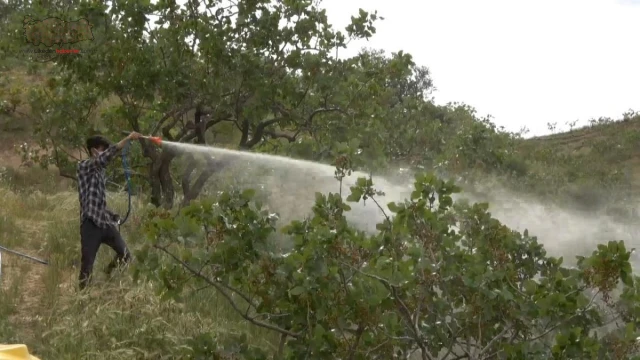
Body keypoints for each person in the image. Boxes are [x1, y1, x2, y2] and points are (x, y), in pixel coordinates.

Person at [76, 131, 142, 290]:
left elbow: (98, 203)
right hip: (90, 224)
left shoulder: (99, 173)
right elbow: (103, 159)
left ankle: (107, 273)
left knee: (125, 255)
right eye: (102, 149)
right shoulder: (84, 167)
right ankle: (82, 297)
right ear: (94, 151)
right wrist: (126, 139)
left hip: (105, 223)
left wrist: (112, 215)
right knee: (87, 265)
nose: (105, 152)